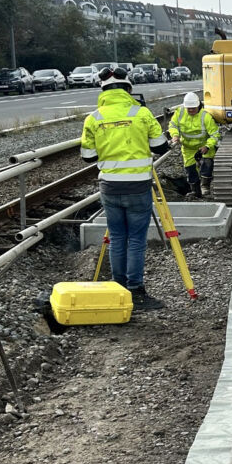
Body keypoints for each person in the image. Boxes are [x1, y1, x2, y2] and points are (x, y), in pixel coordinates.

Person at [80, 66, 170, 310]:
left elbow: (87, 157)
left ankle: (117, 289)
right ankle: (136, 292)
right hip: (138, 186)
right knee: (136, 240)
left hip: (109, 187)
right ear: (128, 89)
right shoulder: (141, 113)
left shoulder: (94, 118)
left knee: (117, 238)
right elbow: (161, 147)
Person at [168, 92, 220, 198]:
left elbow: (215, 134)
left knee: (207, 164)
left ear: (198, 105)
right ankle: (195, 192)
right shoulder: (180, 112)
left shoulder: (205, 116)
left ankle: (205, 187)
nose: (191, 110)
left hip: (204, 146)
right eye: (188, 108)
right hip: (188, 148)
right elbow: (173, 125)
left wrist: (207, 146)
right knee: (190, 170)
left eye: (193, 108)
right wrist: (175, 135)